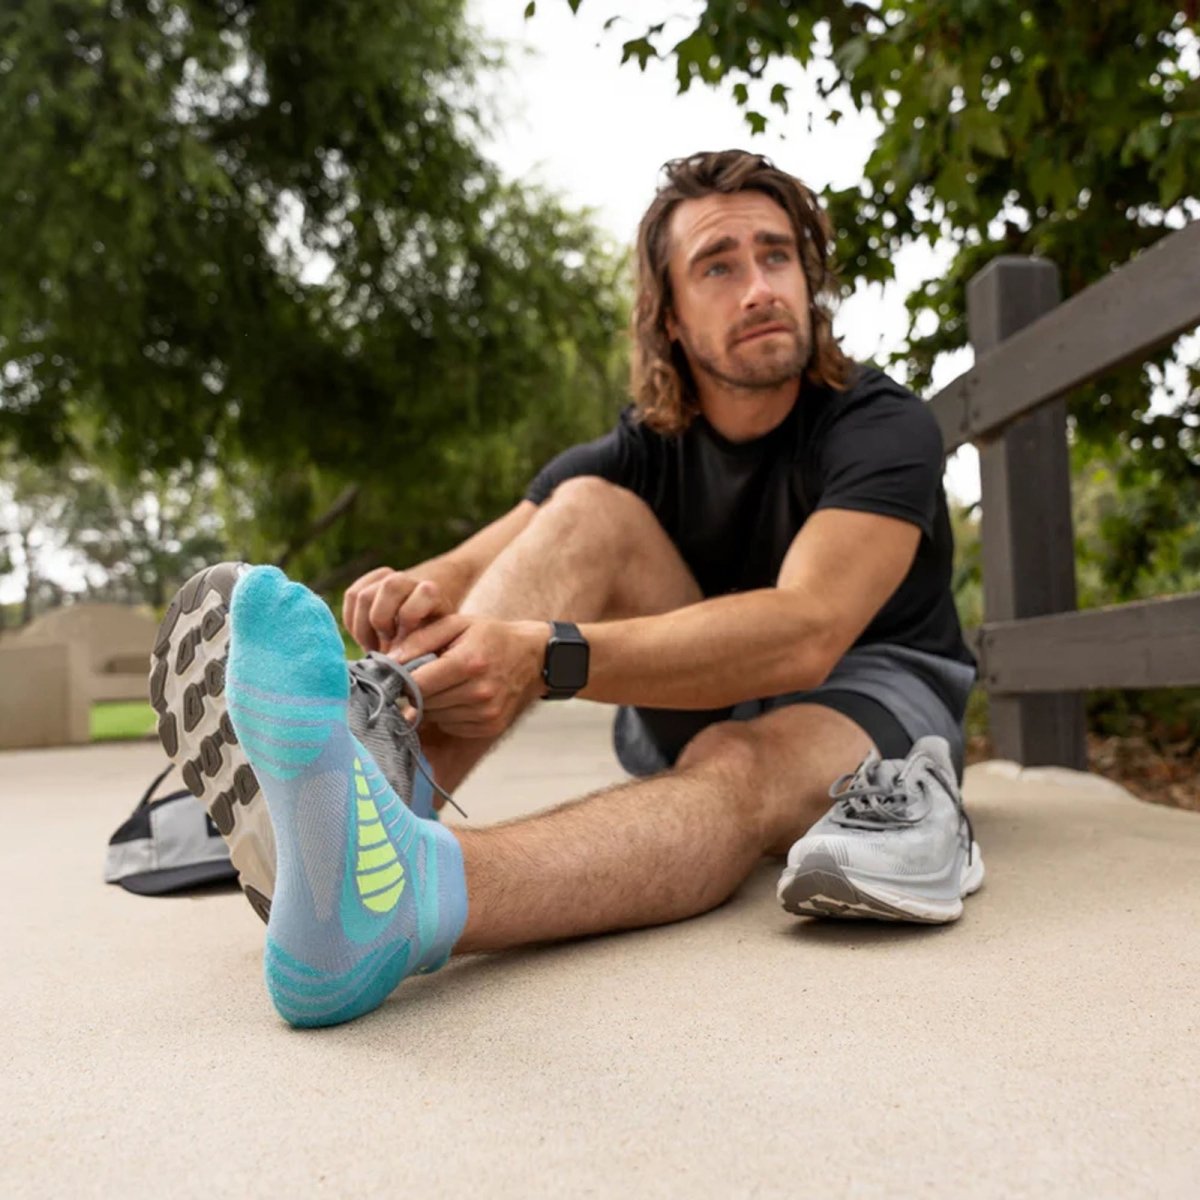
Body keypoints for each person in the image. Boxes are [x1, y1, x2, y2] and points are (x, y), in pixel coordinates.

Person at [153, 151, 982, 1028]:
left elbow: (808, 630)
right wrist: (406, 603)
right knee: (585, 509)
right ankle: (371, 791)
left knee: (737, 761)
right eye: (718, 266)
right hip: (707, 676)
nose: (759, 288)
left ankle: (398, 901)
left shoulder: (880, 423)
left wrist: (551, 656)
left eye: (777, 257)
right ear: (669, 317)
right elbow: (475, 566)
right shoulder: (646, 445)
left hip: (871, 692)